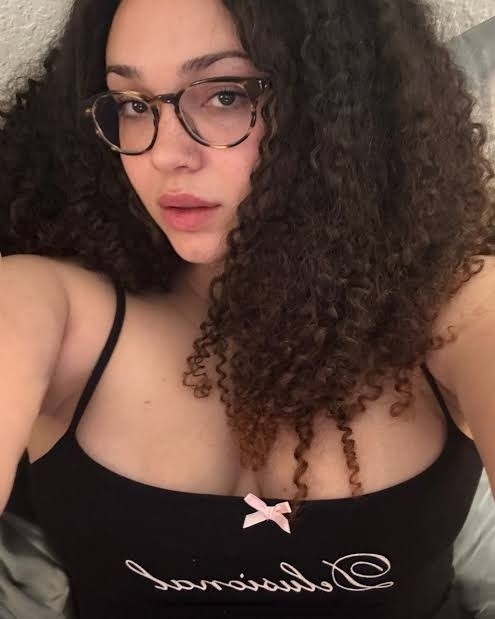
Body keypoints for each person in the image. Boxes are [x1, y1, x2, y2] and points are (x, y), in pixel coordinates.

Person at [0, 0, 494, 617]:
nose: (163, 155)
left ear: (343, 104)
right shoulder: (42, 307)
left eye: (226, 95)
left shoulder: (458, 308)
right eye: (134, 105)